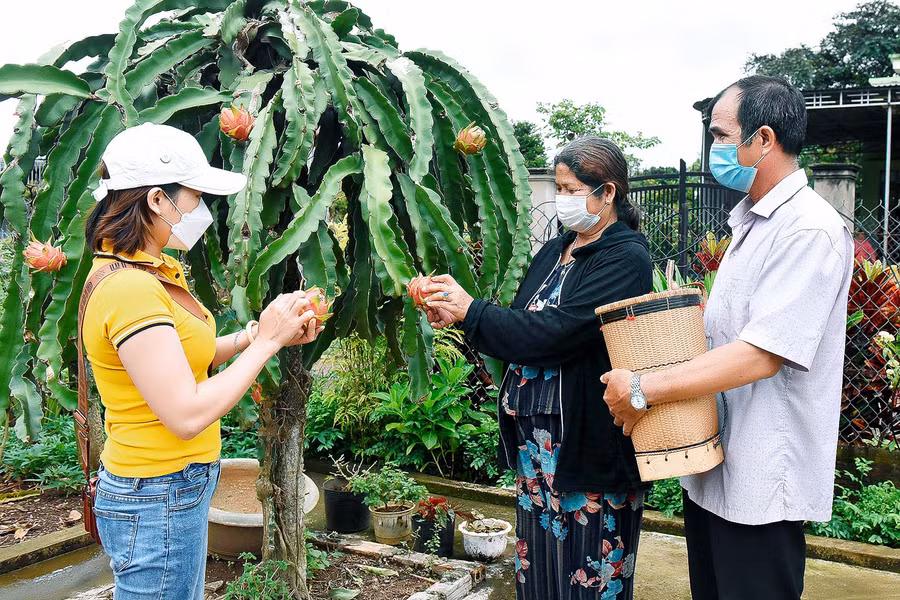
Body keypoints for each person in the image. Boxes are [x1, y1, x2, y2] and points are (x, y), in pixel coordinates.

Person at [601, 75, 854, 600]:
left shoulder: (808, 229)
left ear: (762, 139)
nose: (713, 149)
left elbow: (761, 356)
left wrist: (644, 387)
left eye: (720, 135)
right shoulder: (753, 224)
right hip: (717, 470)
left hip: (762, 483)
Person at [82, 123, 323, 599]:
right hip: (156, 491)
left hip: (166, 489)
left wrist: (257, 334)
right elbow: (186, 413)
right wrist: (266, 345)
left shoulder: (145, 272)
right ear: (156, 200)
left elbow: (185, 355)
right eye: (192, 196)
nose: (198, 209)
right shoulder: (131, 289)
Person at [424, 137, 652, 600]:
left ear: (607, 192)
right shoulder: (555, 251)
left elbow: (559, 331)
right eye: (560, 187)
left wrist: (475, 312)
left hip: (586, 448)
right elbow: (519, 324)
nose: (561, 198)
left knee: (589, 579)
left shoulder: (626, 257)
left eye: (570, 189)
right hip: (536, 450)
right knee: (541, 577)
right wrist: (459, 314)